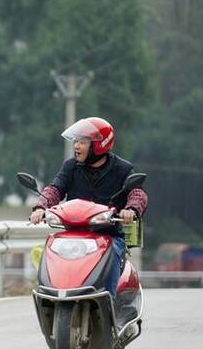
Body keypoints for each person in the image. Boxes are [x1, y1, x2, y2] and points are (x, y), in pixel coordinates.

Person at [29, 117, 148, 299]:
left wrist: (131, 210)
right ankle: (51, 296)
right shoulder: (70, 167)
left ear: (99, 145)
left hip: (109, 236)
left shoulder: (122, 169)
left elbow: (137, 194)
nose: (76, 146)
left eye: (82, 142)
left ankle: (109, 300)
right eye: (76, 141)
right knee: (52, 248)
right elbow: (55, 188)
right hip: (72, 235)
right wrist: (41, 207)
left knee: (114, 252)